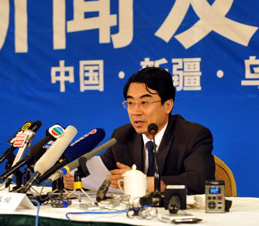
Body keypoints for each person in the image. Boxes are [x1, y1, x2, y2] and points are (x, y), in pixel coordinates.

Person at [65, 67, 215, 195]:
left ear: (168, 105)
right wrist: (78, 180)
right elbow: (104, 175)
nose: (135, 111)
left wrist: (147, 183)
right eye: (130, 103)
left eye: (144, 102)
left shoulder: (193, 135)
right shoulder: (122, 136)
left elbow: (200, 181)